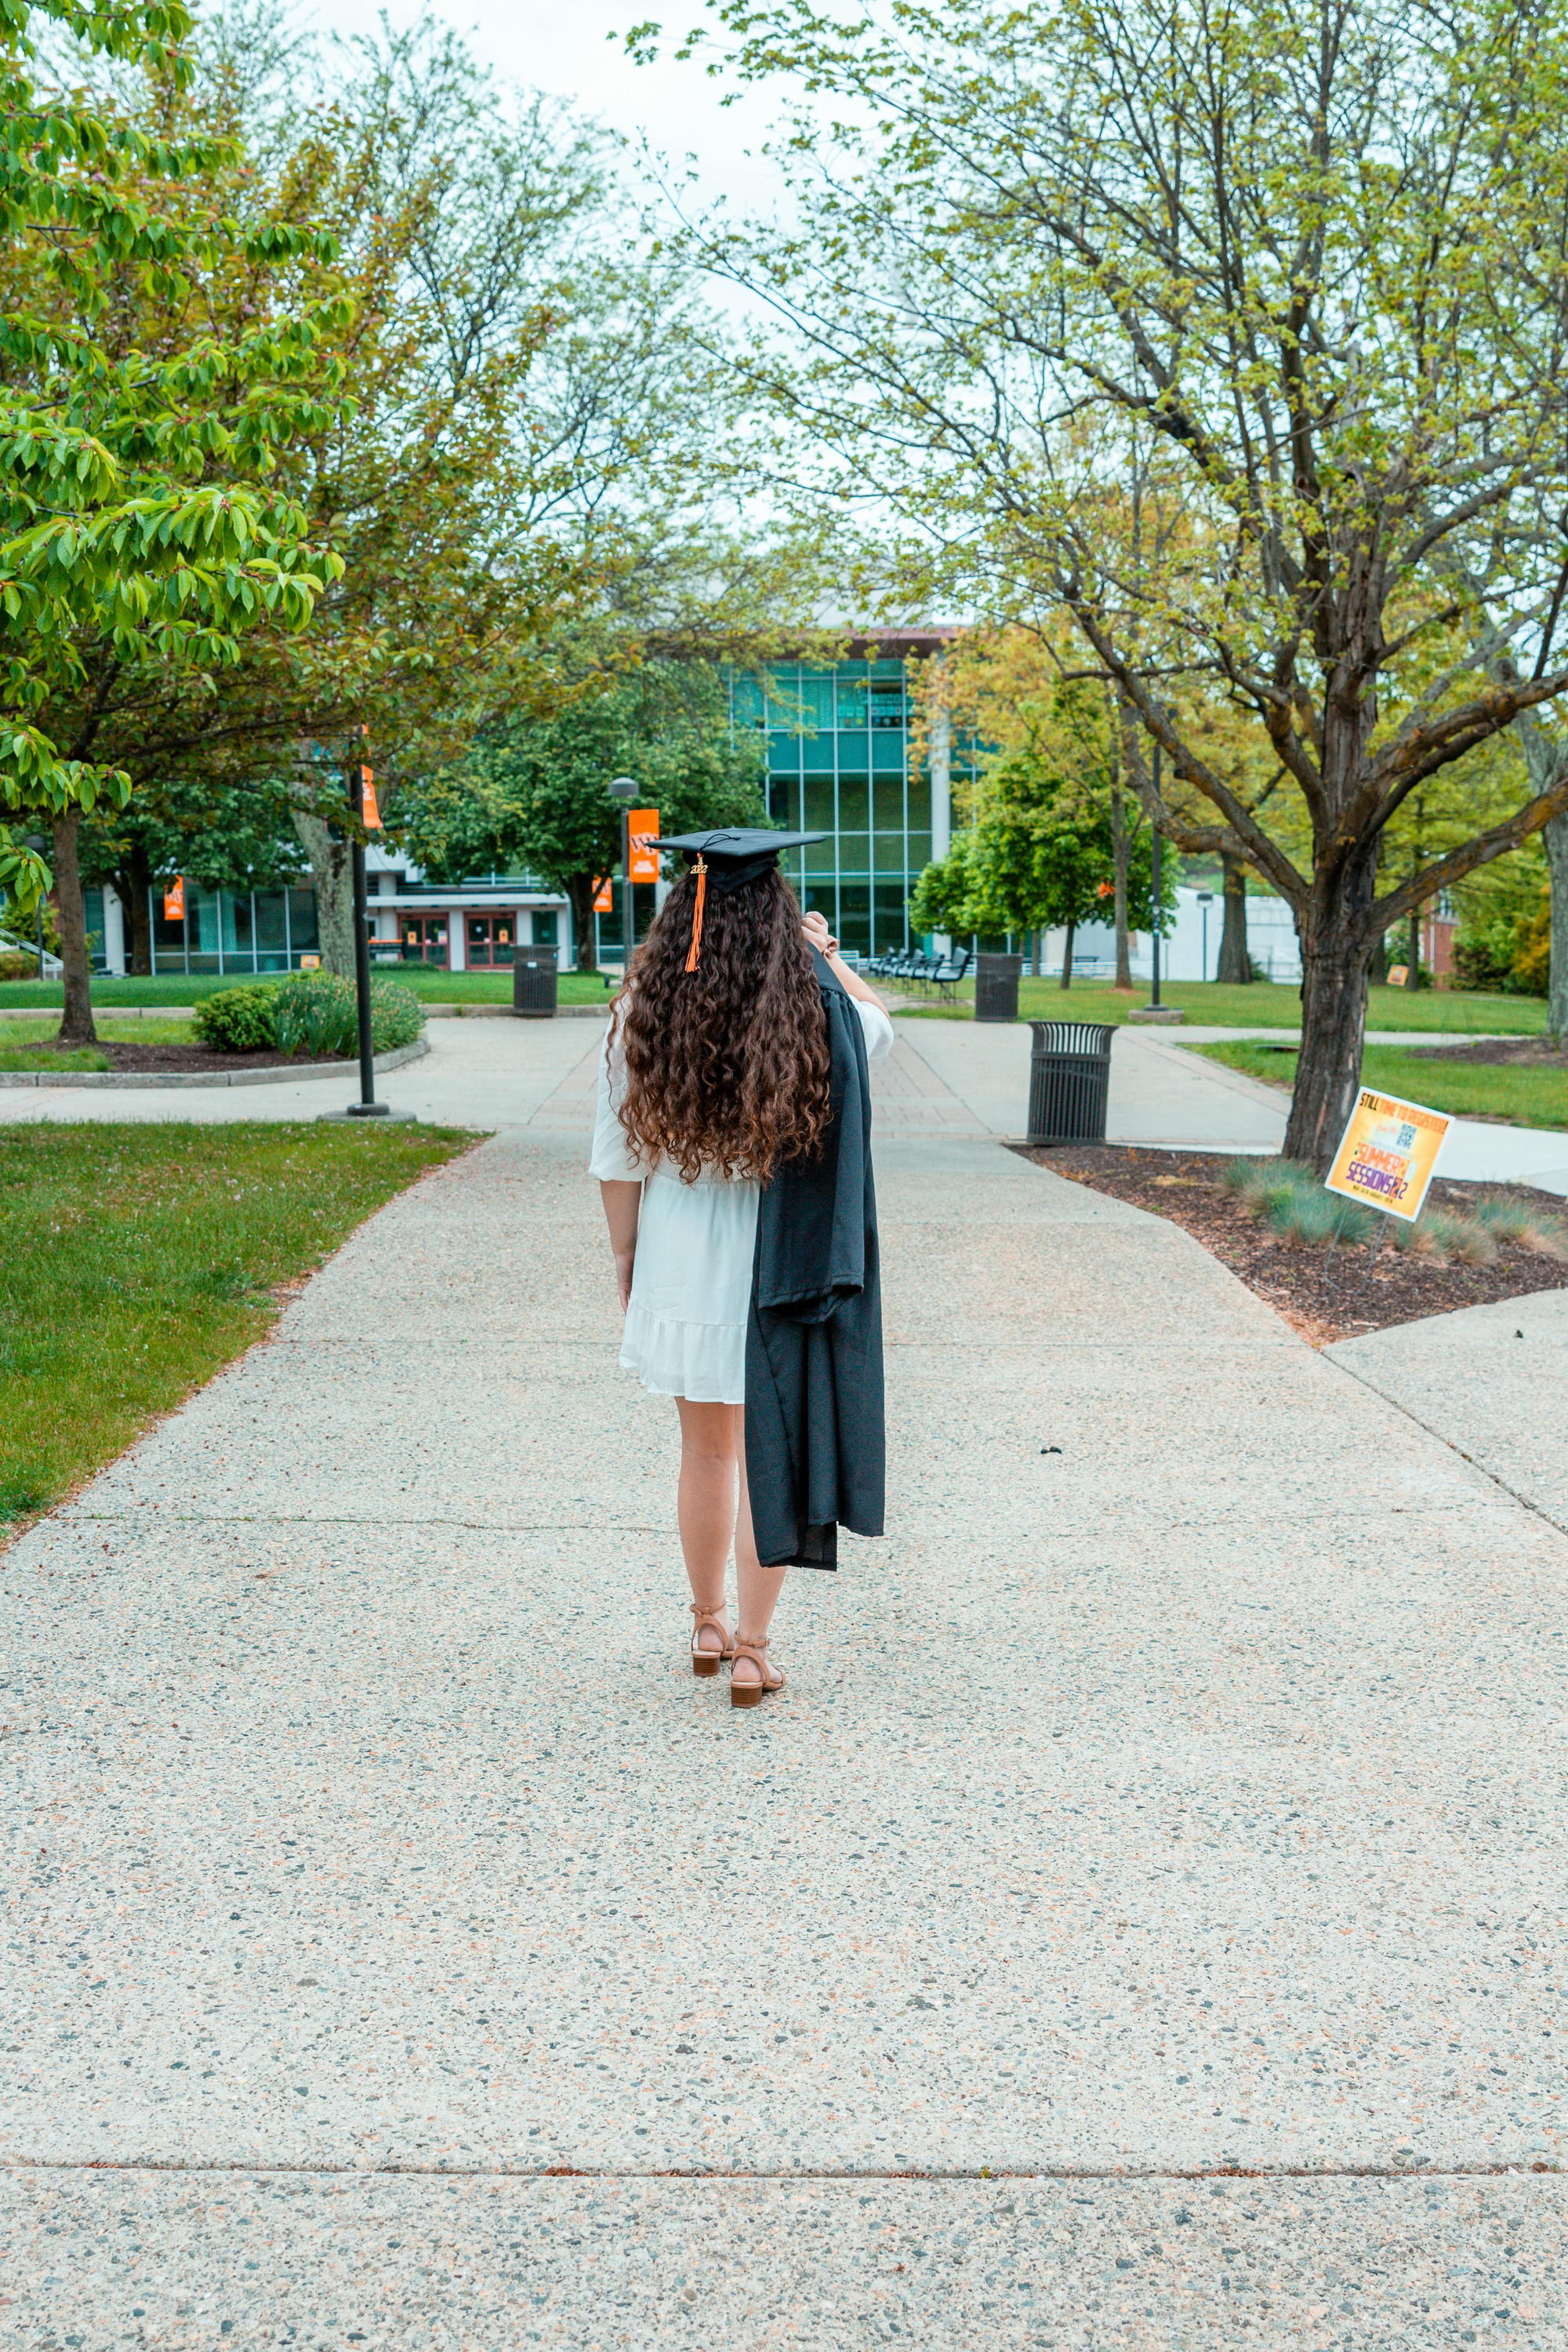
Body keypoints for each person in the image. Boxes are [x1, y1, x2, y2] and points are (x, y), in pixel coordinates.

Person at [590, 829, 894, 1708]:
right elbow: (880, 1026)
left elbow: (615, 1155)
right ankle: (755, 1651)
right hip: (780, 1257)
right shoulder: (814, 1009)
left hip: (683, 1256)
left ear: (679, 913)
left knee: (705, 1450)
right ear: (778, 913)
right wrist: (825, 952)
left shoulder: (644, 1007)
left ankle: (706, 1621)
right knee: (775, 1453)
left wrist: (625, 1254)